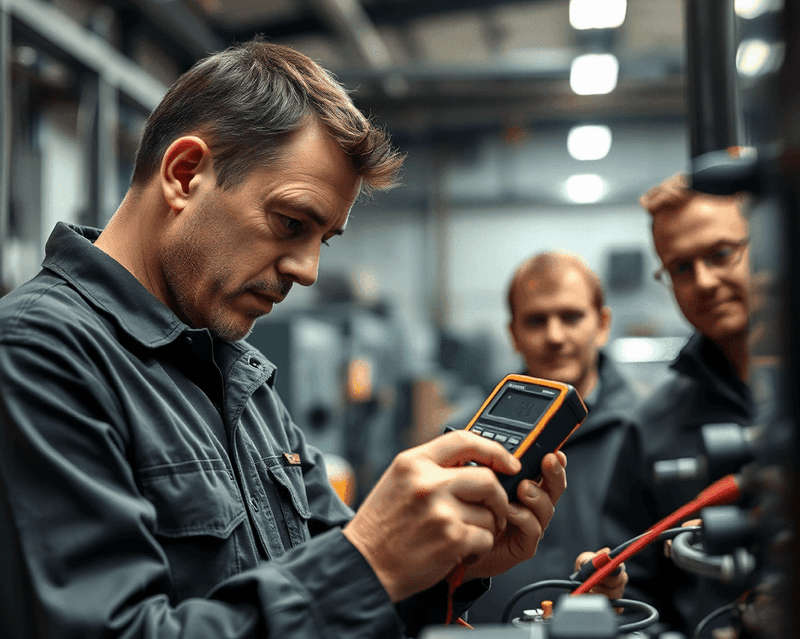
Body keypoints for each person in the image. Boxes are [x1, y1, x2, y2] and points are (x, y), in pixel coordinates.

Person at [0, 39, 606, 639]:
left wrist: (442, 564)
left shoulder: (240, 375)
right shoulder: (39, 355)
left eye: (324, 239)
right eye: (291, 223)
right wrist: (369, 560)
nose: (307, 270)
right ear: (185, 175)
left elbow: (340, 605)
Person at [467, 252, 649, 624]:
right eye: (536, 320)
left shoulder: (649, 426)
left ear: (602, 324)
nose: (554, 336)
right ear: (513, 333)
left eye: (571, 317)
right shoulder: (469, 437)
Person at [635, 173, 753, 634]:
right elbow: (637, 591)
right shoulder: (651, 427)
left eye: (721, 254)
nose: (704, 282)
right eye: (681, 268)